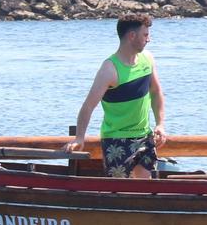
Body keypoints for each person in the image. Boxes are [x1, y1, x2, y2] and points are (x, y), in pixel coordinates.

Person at [69, 14, 168, 178]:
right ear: (132, 36)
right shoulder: (109, 69)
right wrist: (79, 138)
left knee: (147, 192)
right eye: (145, 35)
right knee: (119, 191)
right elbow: (88, 106)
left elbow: (156, 92)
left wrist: (160, 124)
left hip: (144, 137)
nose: (148, 39)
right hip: (117, 140)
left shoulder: (148, 59)